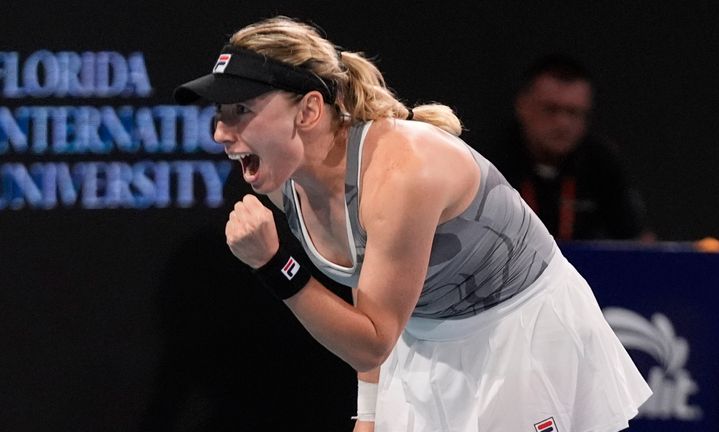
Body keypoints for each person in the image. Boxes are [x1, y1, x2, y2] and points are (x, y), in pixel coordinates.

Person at [173, 16, 651, 432]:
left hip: (519, 339)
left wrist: (276, 264)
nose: (220, 132)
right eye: (220, 113)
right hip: (420, 339)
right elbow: (370, 293)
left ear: (310, 110)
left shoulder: (402, 175)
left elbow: (372, 342)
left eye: (241, 111)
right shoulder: (286, 178)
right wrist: (369, 414)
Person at [494, 54, 654, 241]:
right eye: (551, 109)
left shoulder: (603, 164)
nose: (563, 123)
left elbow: (639, 243)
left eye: (574, 112)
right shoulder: (488, 162)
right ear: (522, 106)